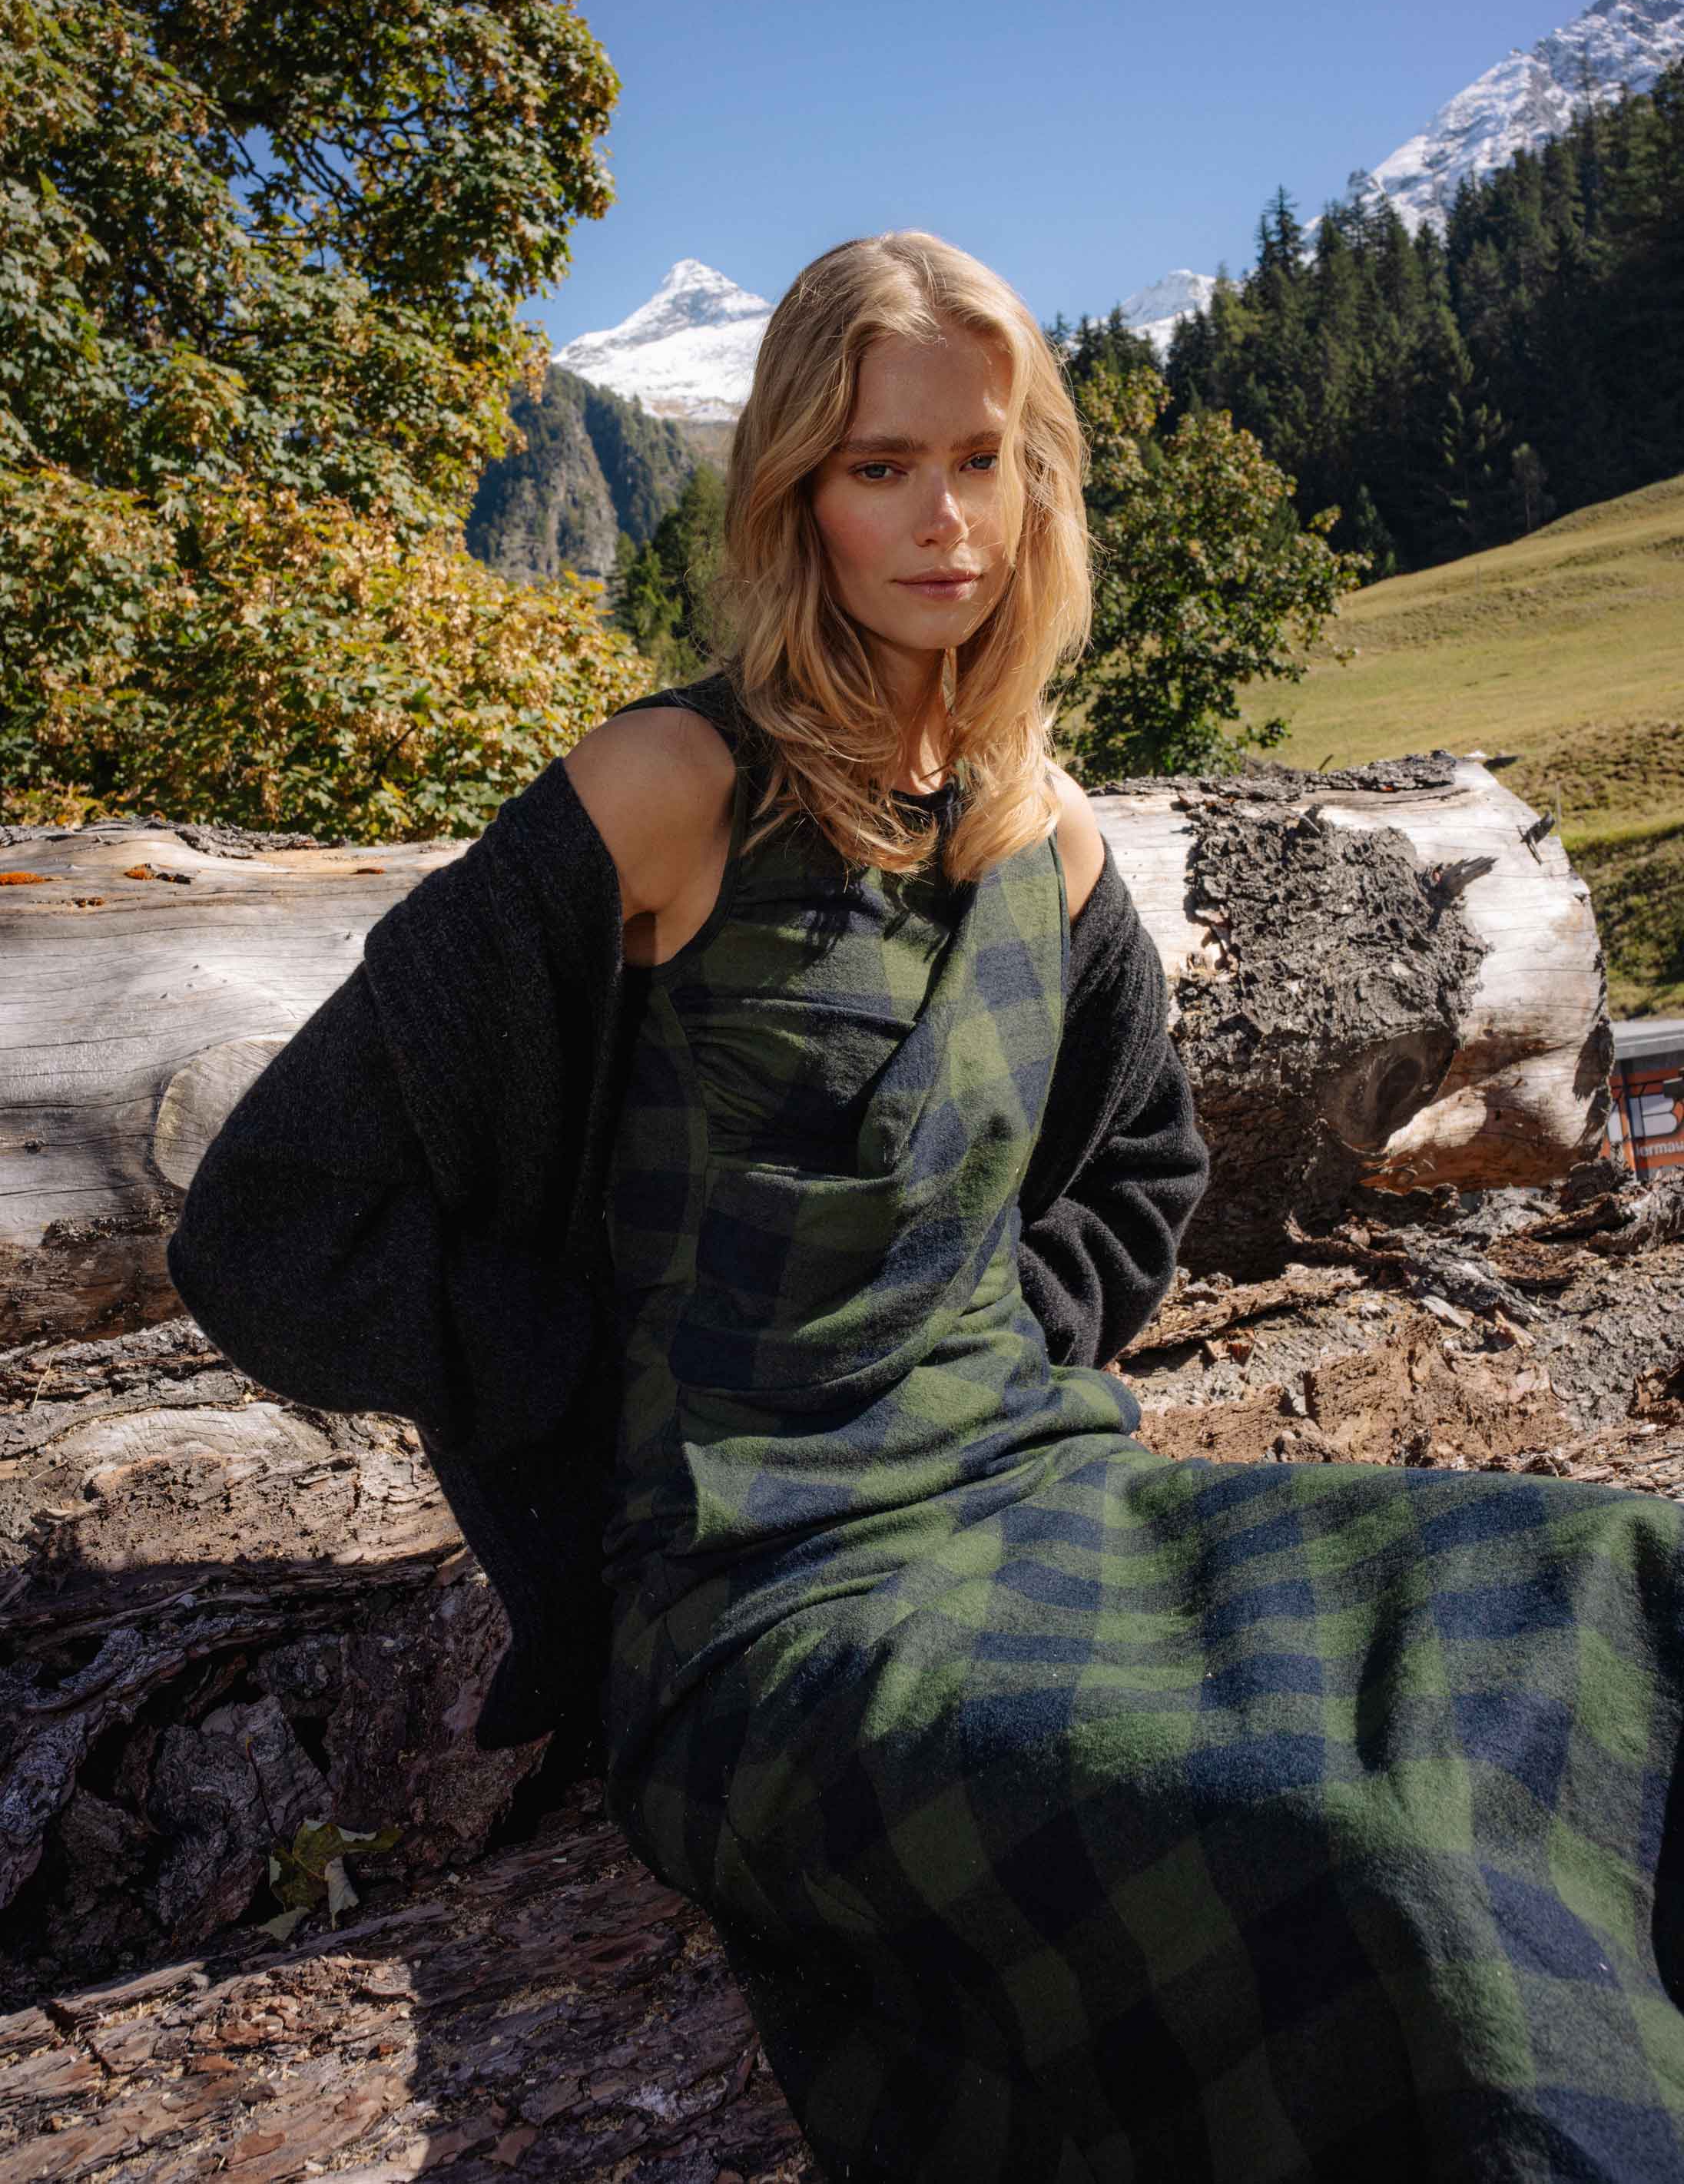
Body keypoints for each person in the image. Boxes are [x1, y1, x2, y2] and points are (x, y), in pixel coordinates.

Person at [169, 233, 1684, 2183]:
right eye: (878, 465)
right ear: (795, 493)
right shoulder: (669, 787)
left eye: (980, 459)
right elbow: (273, 1218)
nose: (942, 517)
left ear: (1036, 482)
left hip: (1042, 1493)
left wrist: (978, 1344)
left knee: (1616, 1586)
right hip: (764, 1611)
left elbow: (1143, 1165)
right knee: (1358, 1858)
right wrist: (593, 1387)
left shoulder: (1045, 829)